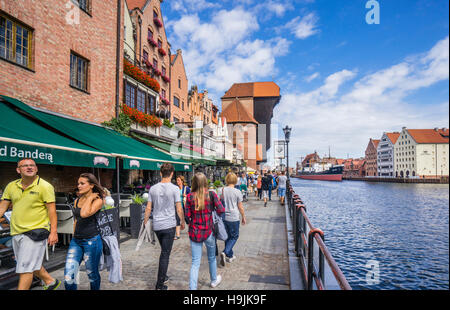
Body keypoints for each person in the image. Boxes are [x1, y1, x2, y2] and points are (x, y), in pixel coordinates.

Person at [0, 158, 60, 290]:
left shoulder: (45, 186)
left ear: (36, 169)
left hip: (35, 232)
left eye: (32, 165)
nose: (29, 167)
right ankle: (50, 281)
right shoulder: (11, 186)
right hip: (16, 231)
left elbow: (52, 211)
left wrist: (54, 232)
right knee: (29, 263)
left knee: (25, 268)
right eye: (25, 165)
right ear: (18, 170)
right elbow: (2, 208)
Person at [143, 163, 185, 290]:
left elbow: (148, 208)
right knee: (165, 254)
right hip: (169, 225)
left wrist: (145, 223)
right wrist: (182, 221)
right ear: (172, 174)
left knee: (164, 251)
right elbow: (179, 207)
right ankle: (159, 285)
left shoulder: (153, 188)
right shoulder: (175, 189)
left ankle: (164, 276)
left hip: (157, 225)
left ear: (160, 173)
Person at [64, 173, 104, 290]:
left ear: (91, 185)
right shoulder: (77, 200)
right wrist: (74, 235)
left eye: (82, 183)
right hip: (76, 241)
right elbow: (77, 219)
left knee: (92, 274)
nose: (79, 186)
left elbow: (84, 213)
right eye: (78, 183)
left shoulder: (98, 200)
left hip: (92, 241)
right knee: (69, 274)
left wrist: (90, 198)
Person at [185, 173, 225, 290]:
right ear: (205, 182)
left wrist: (192, 222)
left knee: (195, 262)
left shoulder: (189, 197)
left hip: (195, 232)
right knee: (211, 258)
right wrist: (213, 213)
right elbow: (221, 209)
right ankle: (213, 280)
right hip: (209, 231)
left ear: (194, 183)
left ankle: (192, 288)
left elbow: (187, 217)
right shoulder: (211, 194)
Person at [218, 173, 246, 267]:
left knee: (227, 236)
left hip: (224, 217)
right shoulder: (237, 192)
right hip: (234, 217)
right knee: (234, 236)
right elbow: (240, 206)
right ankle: (225, 252)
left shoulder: (221, 190)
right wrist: (243, 217)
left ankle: (230, 256)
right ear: (235, 180)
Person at [175, 175, 190, 240]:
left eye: (178, 180)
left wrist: (185, 195)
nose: (177, 181)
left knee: (187, 219)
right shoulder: (176, 188)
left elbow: (191, 196)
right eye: (177, 180)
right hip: (178, 206)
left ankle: (190, 230)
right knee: (177, 219)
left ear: (182, 181)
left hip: (185, 206)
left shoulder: (186, 188)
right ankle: (177, 235)